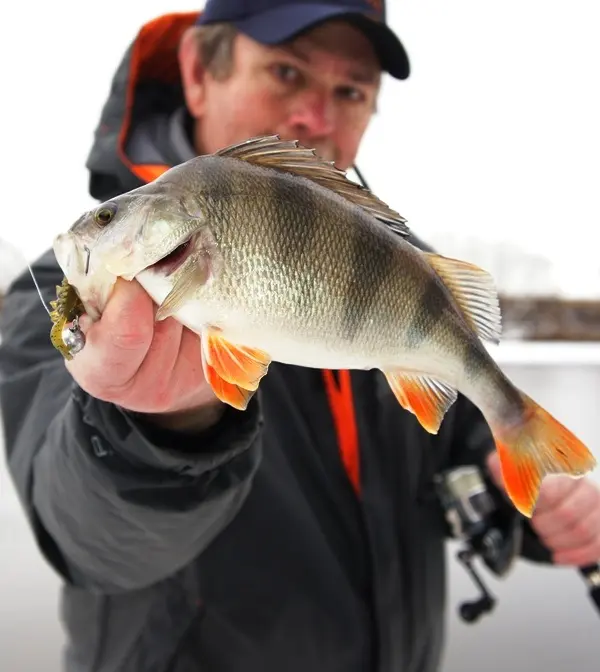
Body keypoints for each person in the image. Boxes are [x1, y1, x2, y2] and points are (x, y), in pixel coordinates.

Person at [1, 2, 599, 671]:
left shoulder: (399, 270)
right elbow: (87, 540)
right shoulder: (67, 299)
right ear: (199, 72)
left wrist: (533, 512)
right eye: (286, 71)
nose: (316, 117)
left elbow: (452, 449)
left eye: (350, 91)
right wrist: (161, 434)